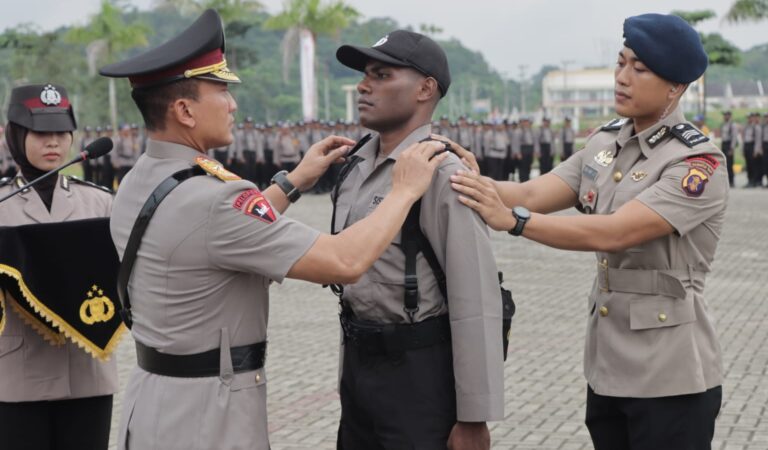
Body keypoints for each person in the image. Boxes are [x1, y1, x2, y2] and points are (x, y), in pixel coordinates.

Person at [99, 10, 447, 450]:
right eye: (221, 91)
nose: (232, 104)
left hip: (151, 400)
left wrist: (294, 180)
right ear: (185, 110)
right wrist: (403, 191)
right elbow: (344, 262)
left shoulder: (139, 179)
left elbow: (220, 236)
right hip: (208, 417)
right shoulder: (214, 198)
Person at [448, 14, 726, 450]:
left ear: (676, 86)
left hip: (671, 372)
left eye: (640, 69)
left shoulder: (696, 164)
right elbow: (530, 191)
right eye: (620, 63)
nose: (622, 77)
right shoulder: (604, 144)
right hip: (609, 364)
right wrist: (461, 175)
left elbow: (614, 232)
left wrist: (516, 222)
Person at [333, 29, 504, 450]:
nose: (363, 85)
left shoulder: (443, 174)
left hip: (419, 372)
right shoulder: (355, 165)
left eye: (381, 74)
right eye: (365, 75)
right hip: (359, 363)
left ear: (425, 88)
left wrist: (473, 416)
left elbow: (476, 299)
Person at [0, 84, 117, 450]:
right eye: (41, 133)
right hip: (18, 373)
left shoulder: (101, 204)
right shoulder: (2, 206)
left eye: (60, 133)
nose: (53, 142)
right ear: (16, 136)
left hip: (88, 371)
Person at [742, 112, 762, 188]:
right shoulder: (746, 127)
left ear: (753, 118)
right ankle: (749, 180)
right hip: (747, 146)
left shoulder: (756, 127)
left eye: (750, 117)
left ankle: (754, 181)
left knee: (753, 165)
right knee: (748, 165)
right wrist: (743, 150)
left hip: (752, 146)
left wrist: (756, 151)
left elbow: (758, 140)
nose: (749, 119)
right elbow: (744, 139)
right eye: (748, 117)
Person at [719, 111, 737, 187]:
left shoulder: (732, 125)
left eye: (726, 115)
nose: (725, 116)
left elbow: (734, 137)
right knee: (724, 164)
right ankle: (726, 181)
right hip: (724, 144)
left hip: (729, 145)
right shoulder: (723, 125)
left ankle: (731, 181)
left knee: (730, 164)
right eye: (724, 115)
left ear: (730, 116)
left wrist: (732, 148)